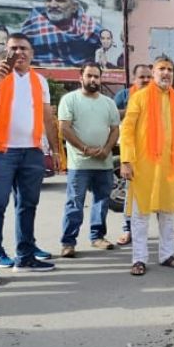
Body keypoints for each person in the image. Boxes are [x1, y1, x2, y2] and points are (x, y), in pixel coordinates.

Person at [0, 32, 59, 284]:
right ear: (6, 52)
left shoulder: (40, 81)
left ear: (31, 53)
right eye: (13, 48)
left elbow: (47, 117)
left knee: (28, 205)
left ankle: (25, 257)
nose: (18, 53)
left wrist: (54, 150)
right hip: (1, 151)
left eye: (23, 48)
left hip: (32, 151)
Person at [119, 56, 174, 275]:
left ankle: (167, 254)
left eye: (169, 69)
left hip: (170, 167)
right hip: (143, 167)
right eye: (162, 69)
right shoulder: (139, 97)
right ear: (153, 72)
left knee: (168, 215)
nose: (166, 73)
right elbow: (127, 130)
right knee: (140, 216)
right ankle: (139, 259)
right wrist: (126, 161)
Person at [58, 62, 121, 257]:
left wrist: (107, 149)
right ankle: (68, 242)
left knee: (102, 201)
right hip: (79, 163)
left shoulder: (108, 103)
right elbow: (64, 128)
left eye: (96, 76)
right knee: (75, 202)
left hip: (104, 162)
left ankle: (97, 237)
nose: (93, 79)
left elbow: (115, 129)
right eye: (89, 76)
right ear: (81, 78)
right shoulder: (70, 100)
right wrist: (84, 148)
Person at [114, 63, 153, 246]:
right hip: (133, 154)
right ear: (134, 78)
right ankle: (128, 229)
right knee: (131, 196)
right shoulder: (123, 96)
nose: (145, 80)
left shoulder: (159, 96)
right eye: (142, 77)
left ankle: (166, 231)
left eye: (148, 77)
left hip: (155, 155)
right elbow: (113, 116)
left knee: (160, 195)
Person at [19, 0, 102, 67]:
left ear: (74, 7)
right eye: (48, 0)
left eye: (60, 1)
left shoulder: (90, 28)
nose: (53, 5)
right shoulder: (31, 26)